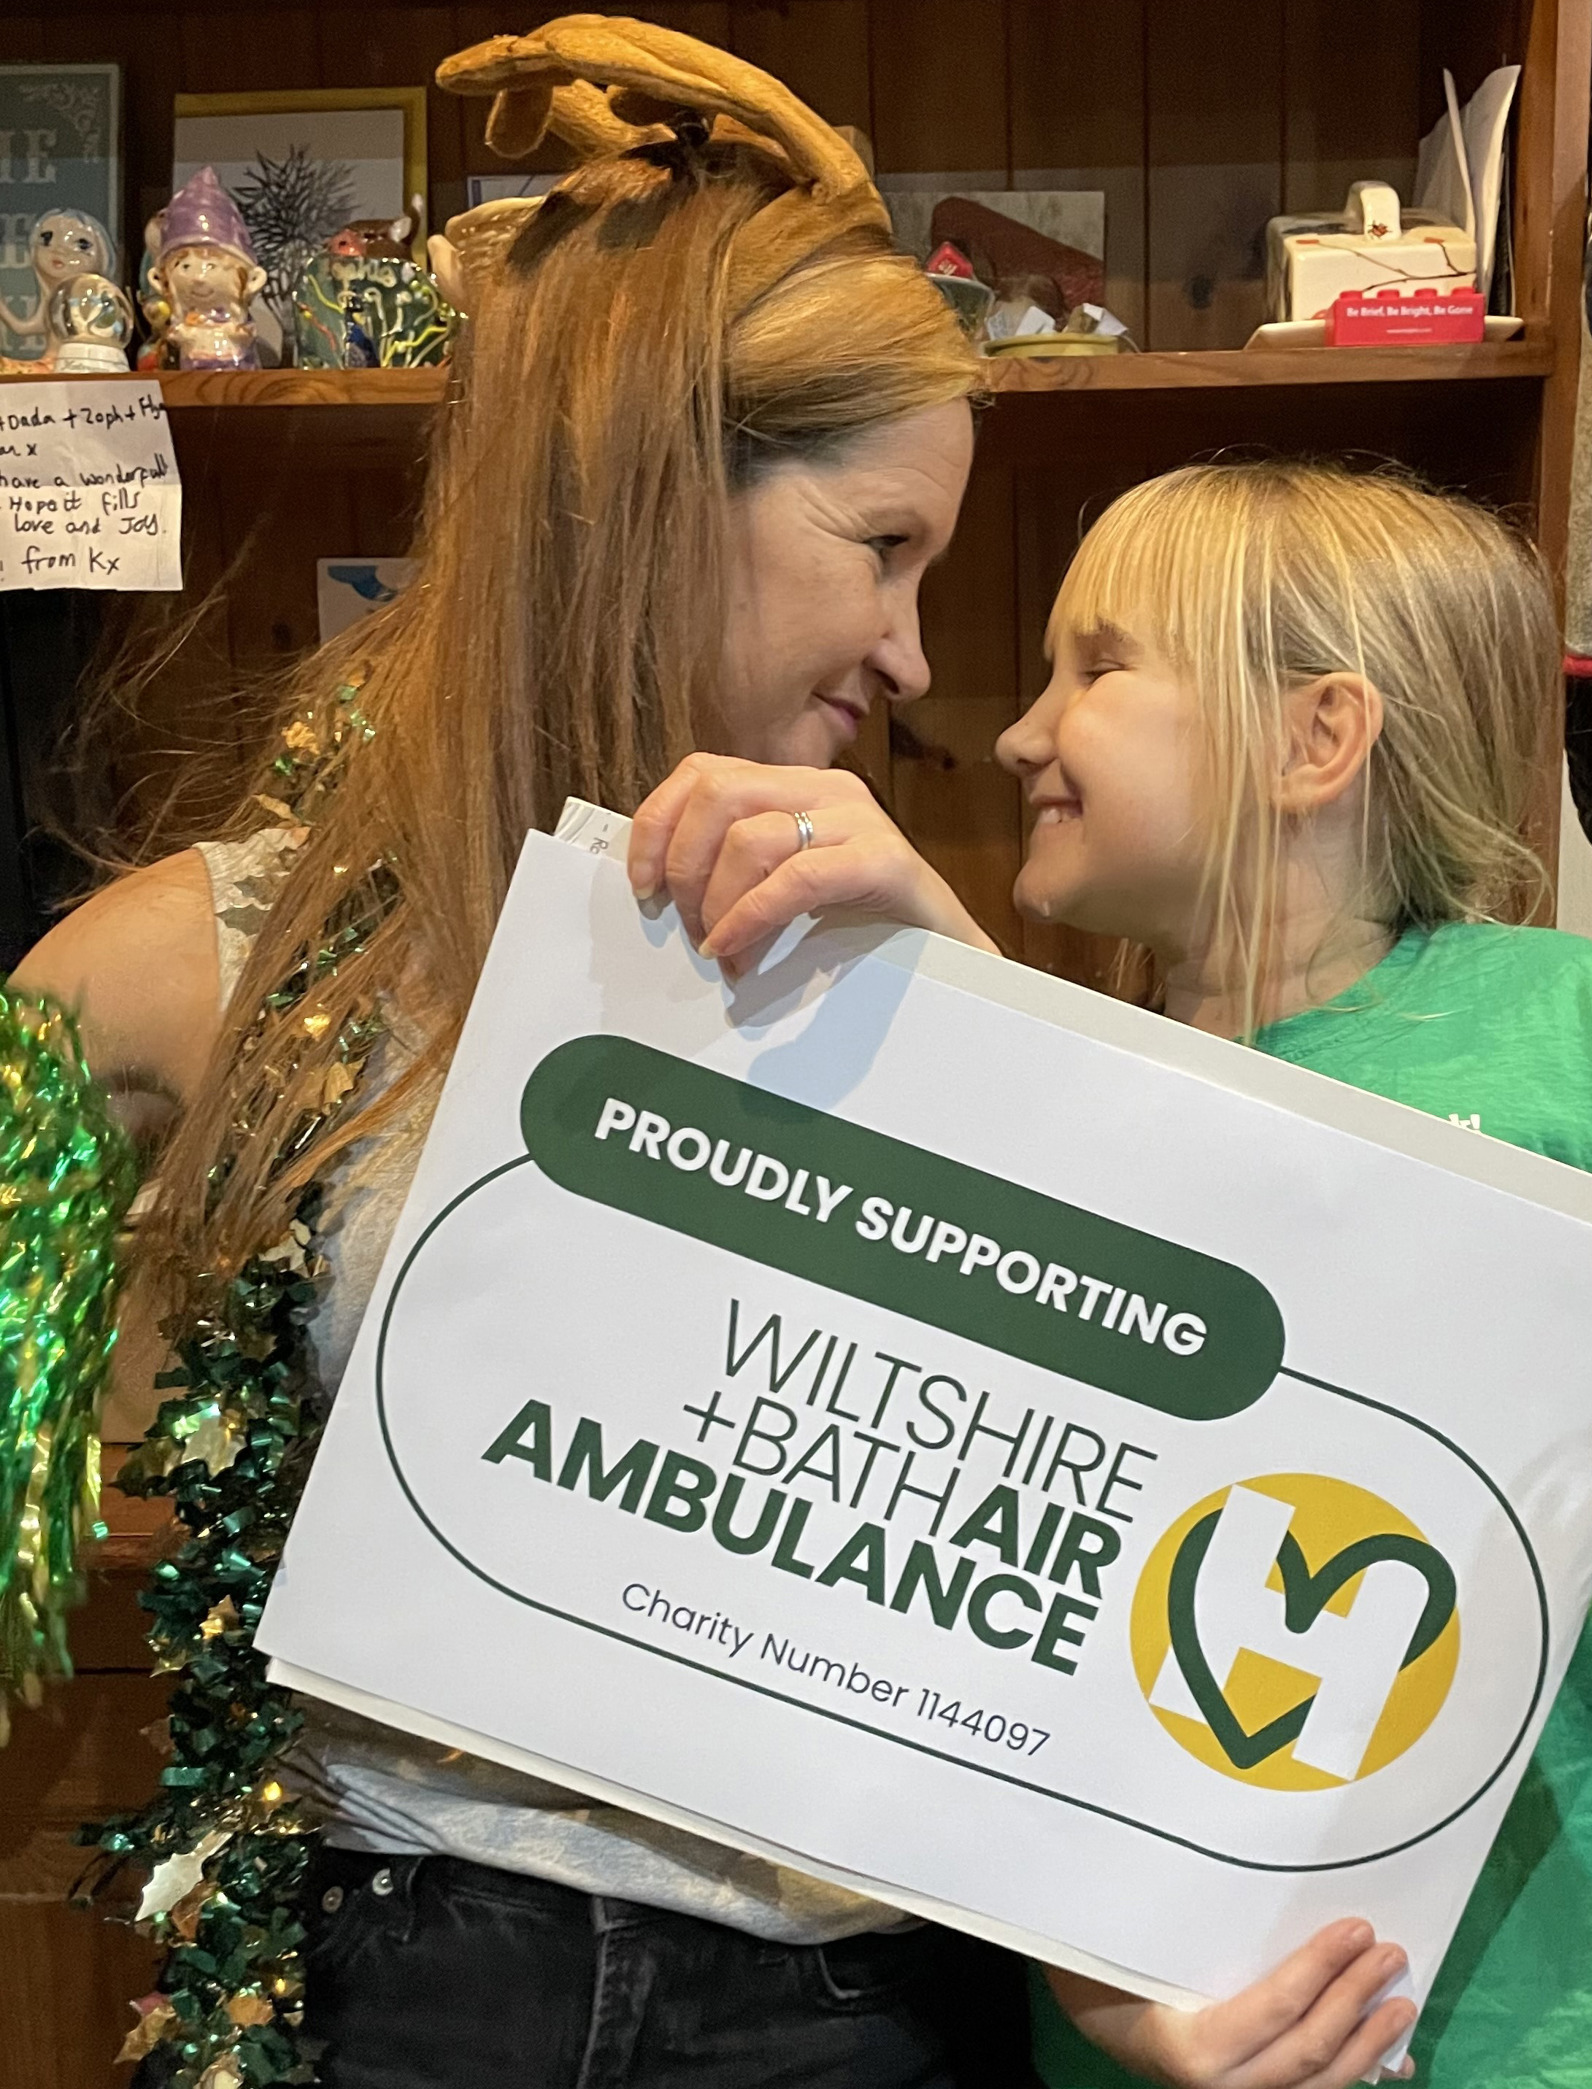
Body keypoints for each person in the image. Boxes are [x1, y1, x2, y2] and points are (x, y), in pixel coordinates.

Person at [629, 458, 1592, 2089]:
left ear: (1318, 737)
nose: (1020, 729)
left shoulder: (1581, 1029)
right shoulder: (1059, 1070)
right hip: (1169, 2029)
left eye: (1096, 666)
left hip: (1572, 2030)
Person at [14, 22, 1016, 2089]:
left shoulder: (909, 957)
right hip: (410, 1983)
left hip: (843, 2005)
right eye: (886, 547)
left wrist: (960, 997)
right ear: (660, 498)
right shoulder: (252, 954)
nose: (921, 656)